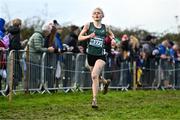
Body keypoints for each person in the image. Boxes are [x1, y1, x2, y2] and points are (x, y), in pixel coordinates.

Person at [78, 7, 115, 108]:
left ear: (102, 16)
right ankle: (105, 82)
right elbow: (79, 37)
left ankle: (94, 100)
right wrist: (88, 36)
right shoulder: (88, 25)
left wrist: (113, 40)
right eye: (94, 13)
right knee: (97, 77)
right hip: (90, 55)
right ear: (92, 15)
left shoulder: (105, 27)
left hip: (101, 56)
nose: (96, 15)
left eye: (99, 13)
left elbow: (112, 35)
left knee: (94, 76)